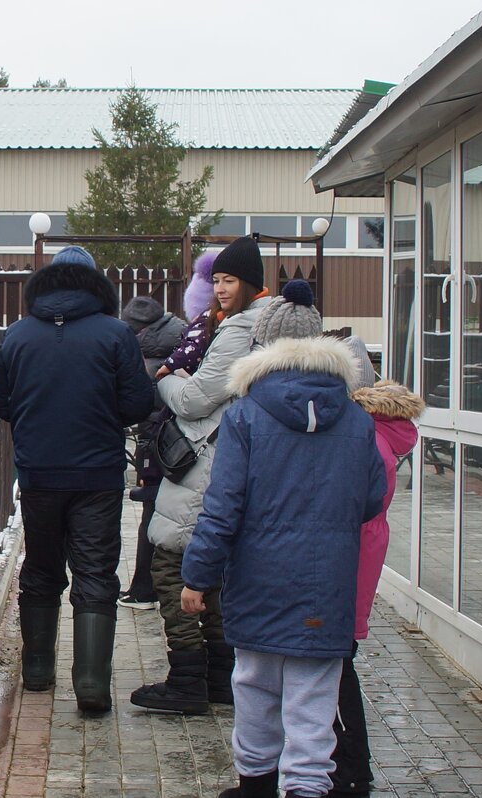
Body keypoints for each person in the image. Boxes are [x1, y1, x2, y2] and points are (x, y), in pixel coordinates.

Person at [180, 281, 387, 798]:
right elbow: (371, 499)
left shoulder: (246, 415)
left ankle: (254, 785)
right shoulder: (357, 419)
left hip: (259, 583)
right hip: (327, 587)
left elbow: (222, 508)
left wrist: (197, 577)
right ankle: (307, 787)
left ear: (266, 349)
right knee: (314, 699)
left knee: (253, 687)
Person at [0, 245, 154, 713]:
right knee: (95, 572)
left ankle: (38, 671)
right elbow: (138, 403)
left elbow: (3, 404)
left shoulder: (18, 335)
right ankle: (91, 686)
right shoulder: (116, 334)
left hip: (39, 474)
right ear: (94, 285)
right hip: (97, 476)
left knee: (41, 568)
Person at [134, 236, 271, 714]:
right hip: (232, 458)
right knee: (210, 572)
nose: (220, 290)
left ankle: (187, 680)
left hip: (206, 464)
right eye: (216, 280)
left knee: (171, 564)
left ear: (251, 283)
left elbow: (194, 400)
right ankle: (218, 678)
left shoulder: (238, 330)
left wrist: (167, 376)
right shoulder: (264, 325)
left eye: (229, 280)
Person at [330, 337, 423, 796]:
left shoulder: (365, 438)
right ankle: (345, 765)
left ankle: (351, 770)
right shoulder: (377, 432)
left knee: (338, 665)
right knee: (338, 662)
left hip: (351, 564)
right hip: (359, 559)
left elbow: (356, 506)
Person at [118, 294, 186, 609]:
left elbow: (140, 400)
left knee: (151, 510)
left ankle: (145, 589)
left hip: (159, 442)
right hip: (179, 441)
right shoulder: (182, 340)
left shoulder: (149, 358)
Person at [156, 250, 217, 378]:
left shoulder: (203, 323)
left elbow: (192, 348)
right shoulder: (208, 321)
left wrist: (168, 365)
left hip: (195, 377)